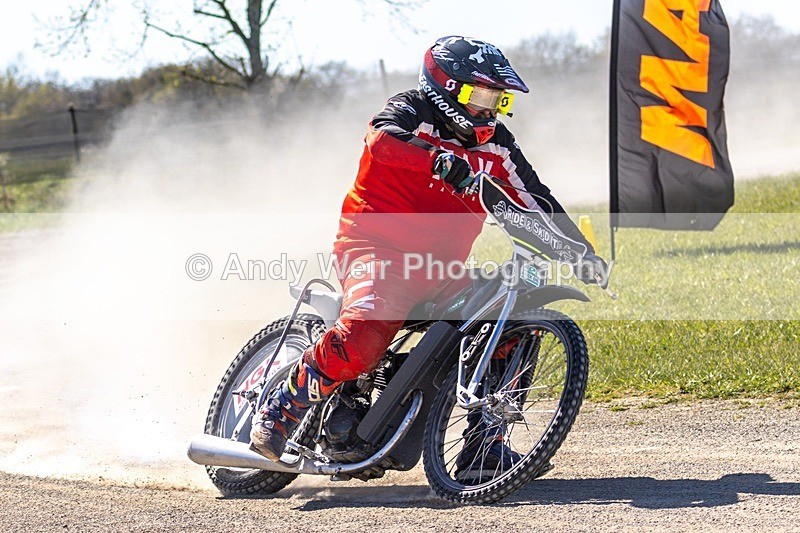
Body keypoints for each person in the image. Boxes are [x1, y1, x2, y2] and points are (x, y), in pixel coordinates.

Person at [250, 36, 606, 478]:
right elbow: (381, 139)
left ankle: (484, 448)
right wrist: (436, 159)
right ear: (446, 88)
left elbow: (536, 198)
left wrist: (581, 252)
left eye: (499, 99)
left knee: (511, 323)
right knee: (364, 334)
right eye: (481, 96)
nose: (489, 110)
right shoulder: (410, 110)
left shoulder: (498, 144)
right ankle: (282, 406)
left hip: (441, 271)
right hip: (374, 250)